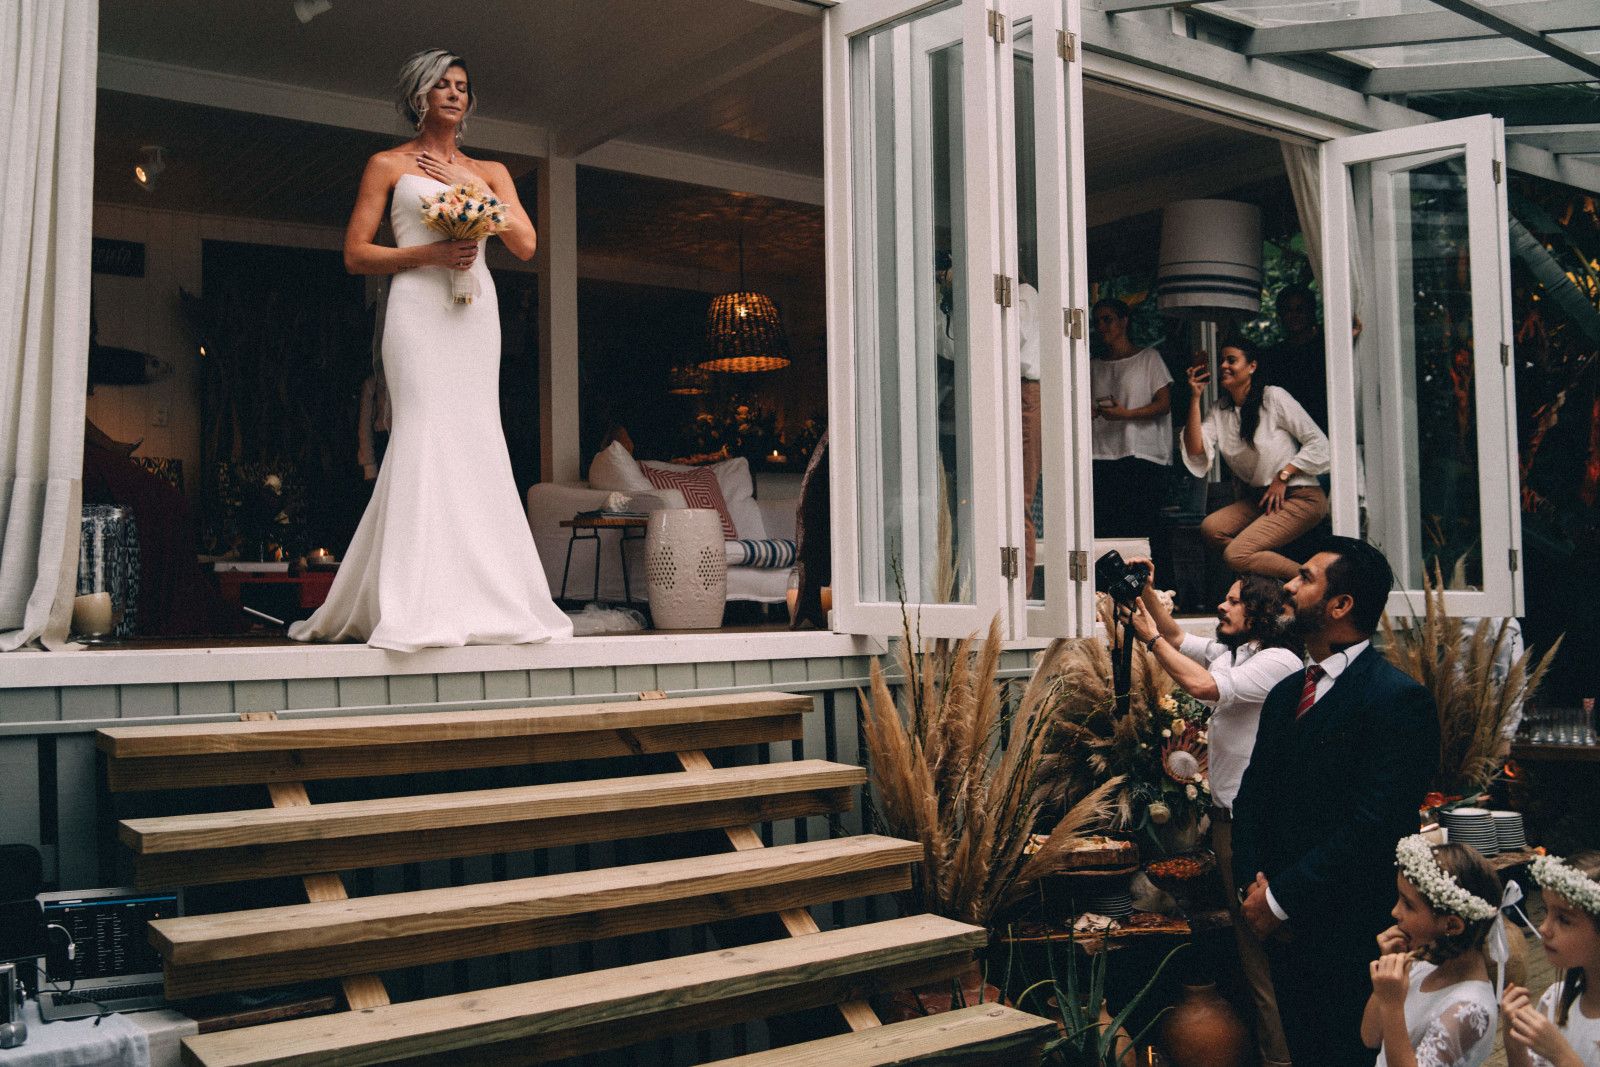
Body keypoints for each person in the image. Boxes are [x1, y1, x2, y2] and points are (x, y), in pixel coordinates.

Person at [290, 49, 571, 650]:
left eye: (462, 86)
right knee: (422, 432)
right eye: (442, 85)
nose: (454, 94)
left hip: (474, 311)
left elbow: (524, 244)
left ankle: (486, 594)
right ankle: (414, 598)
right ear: (419, 95)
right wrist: (428, 255)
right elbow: (355, 254)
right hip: (418, 308)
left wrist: (470, 187)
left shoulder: (490, 170)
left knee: (476, 434)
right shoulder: (387, 165)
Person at [1231, 536, 1439, 1067]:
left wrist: (1283, 897)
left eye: (1304, 578)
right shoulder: (1285, 693)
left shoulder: (1397, 699)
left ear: (1340, 605)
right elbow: (1252, 796)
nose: (1288, 587)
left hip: (1349, 930)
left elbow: (1376, 823)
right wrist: (1255, 889)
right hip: (1280, 929)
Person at [1127, 560, 1301, 1067]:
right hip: (1228, 821)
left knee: (1262, 952)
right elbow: (1177, 635)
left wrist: (1148, 642)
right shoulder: (1236, 650)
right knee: (1251, 952)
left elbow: (1204, 688)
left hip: (1255, 827)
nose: (1221, 606)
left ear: (1260, 611)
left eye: (1232, 600)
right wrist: (1147, 594)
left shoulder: (1278, 664)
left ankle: (1281, 1059)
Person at [1184, 338, 1330, 580]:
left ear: (1252, 366)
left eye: (1232, 360)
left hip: (1301, 496)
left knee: (1236, 555)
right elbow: (1195, 449)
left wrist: (1283, 476)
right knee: (1211, 528)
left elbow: (1319, 444)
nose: (1223, 366)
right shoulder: (1220, 410)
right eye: (1221, 360)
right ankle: (1262, 574)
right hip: (1262, 499)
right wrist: (1194, 397)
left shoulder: (1273, 397)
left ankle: (1315, 583)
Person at [1363, 838, 1502, 1067]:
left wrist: (1392, 1004)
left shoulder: (1470, 1007)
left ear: (1452, 926)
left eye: (1408, 904)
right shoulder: (1423, 964)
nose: (1395, 911)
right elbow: (1370, 1037)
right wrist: (1386, 978)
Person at [1503, 852, 1600, 1067]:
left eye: (1563, 919)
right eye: (1546, 912)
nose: (1543, 928)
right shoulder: (1555, 1001)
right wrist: (1515, 1042)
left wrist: (1561, 1055)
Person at [1090, 298, 1172, 541]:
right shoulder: (1092, 365)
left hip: (1140, 453)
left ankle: (1156, 579)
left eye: (1108, 319)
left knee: (1143, 526)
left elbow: (1164, 404)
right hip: (1102, 453)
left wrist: (1127, 415)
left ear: (1124, 321)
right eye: (1097, 322)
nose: (1102, 326)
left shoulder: (1148, 358)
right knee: (1108, 527)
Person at [1263, 284, 1328, 432]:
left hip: (1327, 429)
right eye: (1288, 310)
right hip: (1289, 434)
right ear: (1281, 315)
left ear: (1310, 311)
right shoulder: (1274, 356)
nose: (1294, 316)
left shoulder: (1326, 347)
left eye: (1300, 309)